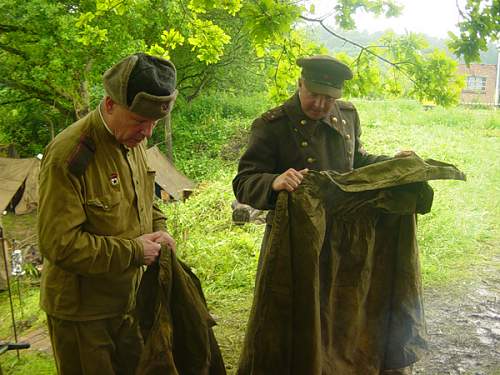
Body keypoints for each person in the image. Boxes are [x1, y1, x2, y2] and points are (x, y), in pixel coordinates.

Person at [233, 55, 416, 374]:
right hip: (295, 246)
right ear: (300, 84)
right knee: (295, 320)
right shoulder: (271, 125)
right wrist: (273, 182)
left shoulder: (347, 115)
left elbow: (356, 160)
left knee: (340, 315)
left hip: (344, 242)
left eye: (329, 98)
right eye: (314, 94)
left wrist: (395, 164)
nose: (320, 105)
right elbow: (244, 182)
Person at [38, 53, 178, 375]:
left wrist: (159, 229)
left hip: (127, 301)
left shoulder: (132, 139)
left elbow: (144, 200)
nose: (148, 132)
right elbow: (59, 244)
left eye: (155, 123)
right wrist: (134, 250)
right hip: (83, 316)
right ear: (110, 104)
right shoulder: (69, 155)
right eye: (140, 121)